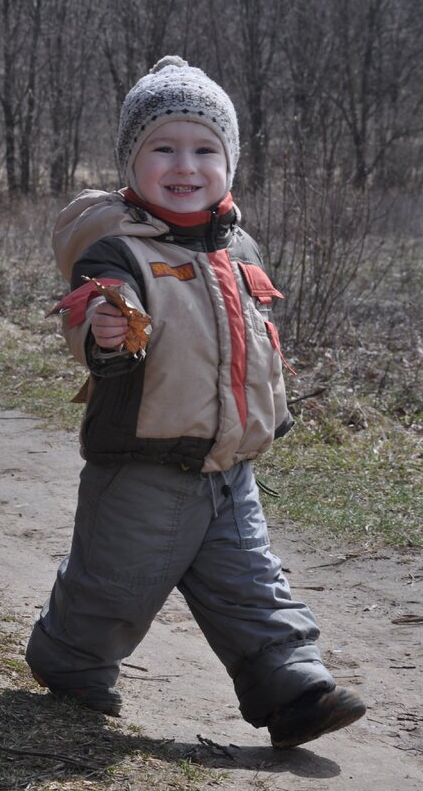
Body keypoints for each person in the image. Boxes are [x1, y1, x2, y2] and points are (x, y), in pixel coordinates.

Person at [26, 56, 365, 749]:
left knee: (253, 587)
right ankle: (69, 659)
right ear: (131, 163)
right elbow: (87, 319)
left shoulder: (239, 249)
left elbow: (252, 341)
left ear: (230, 162)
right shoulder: (116, 250)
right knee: (113, 591)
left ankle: (290, 684)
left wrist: (272, 409)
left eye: (206, 149)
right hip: (141, 467)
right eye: (164, 148)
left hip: (228, 469)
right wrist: (105, 335)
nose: (186, 165)